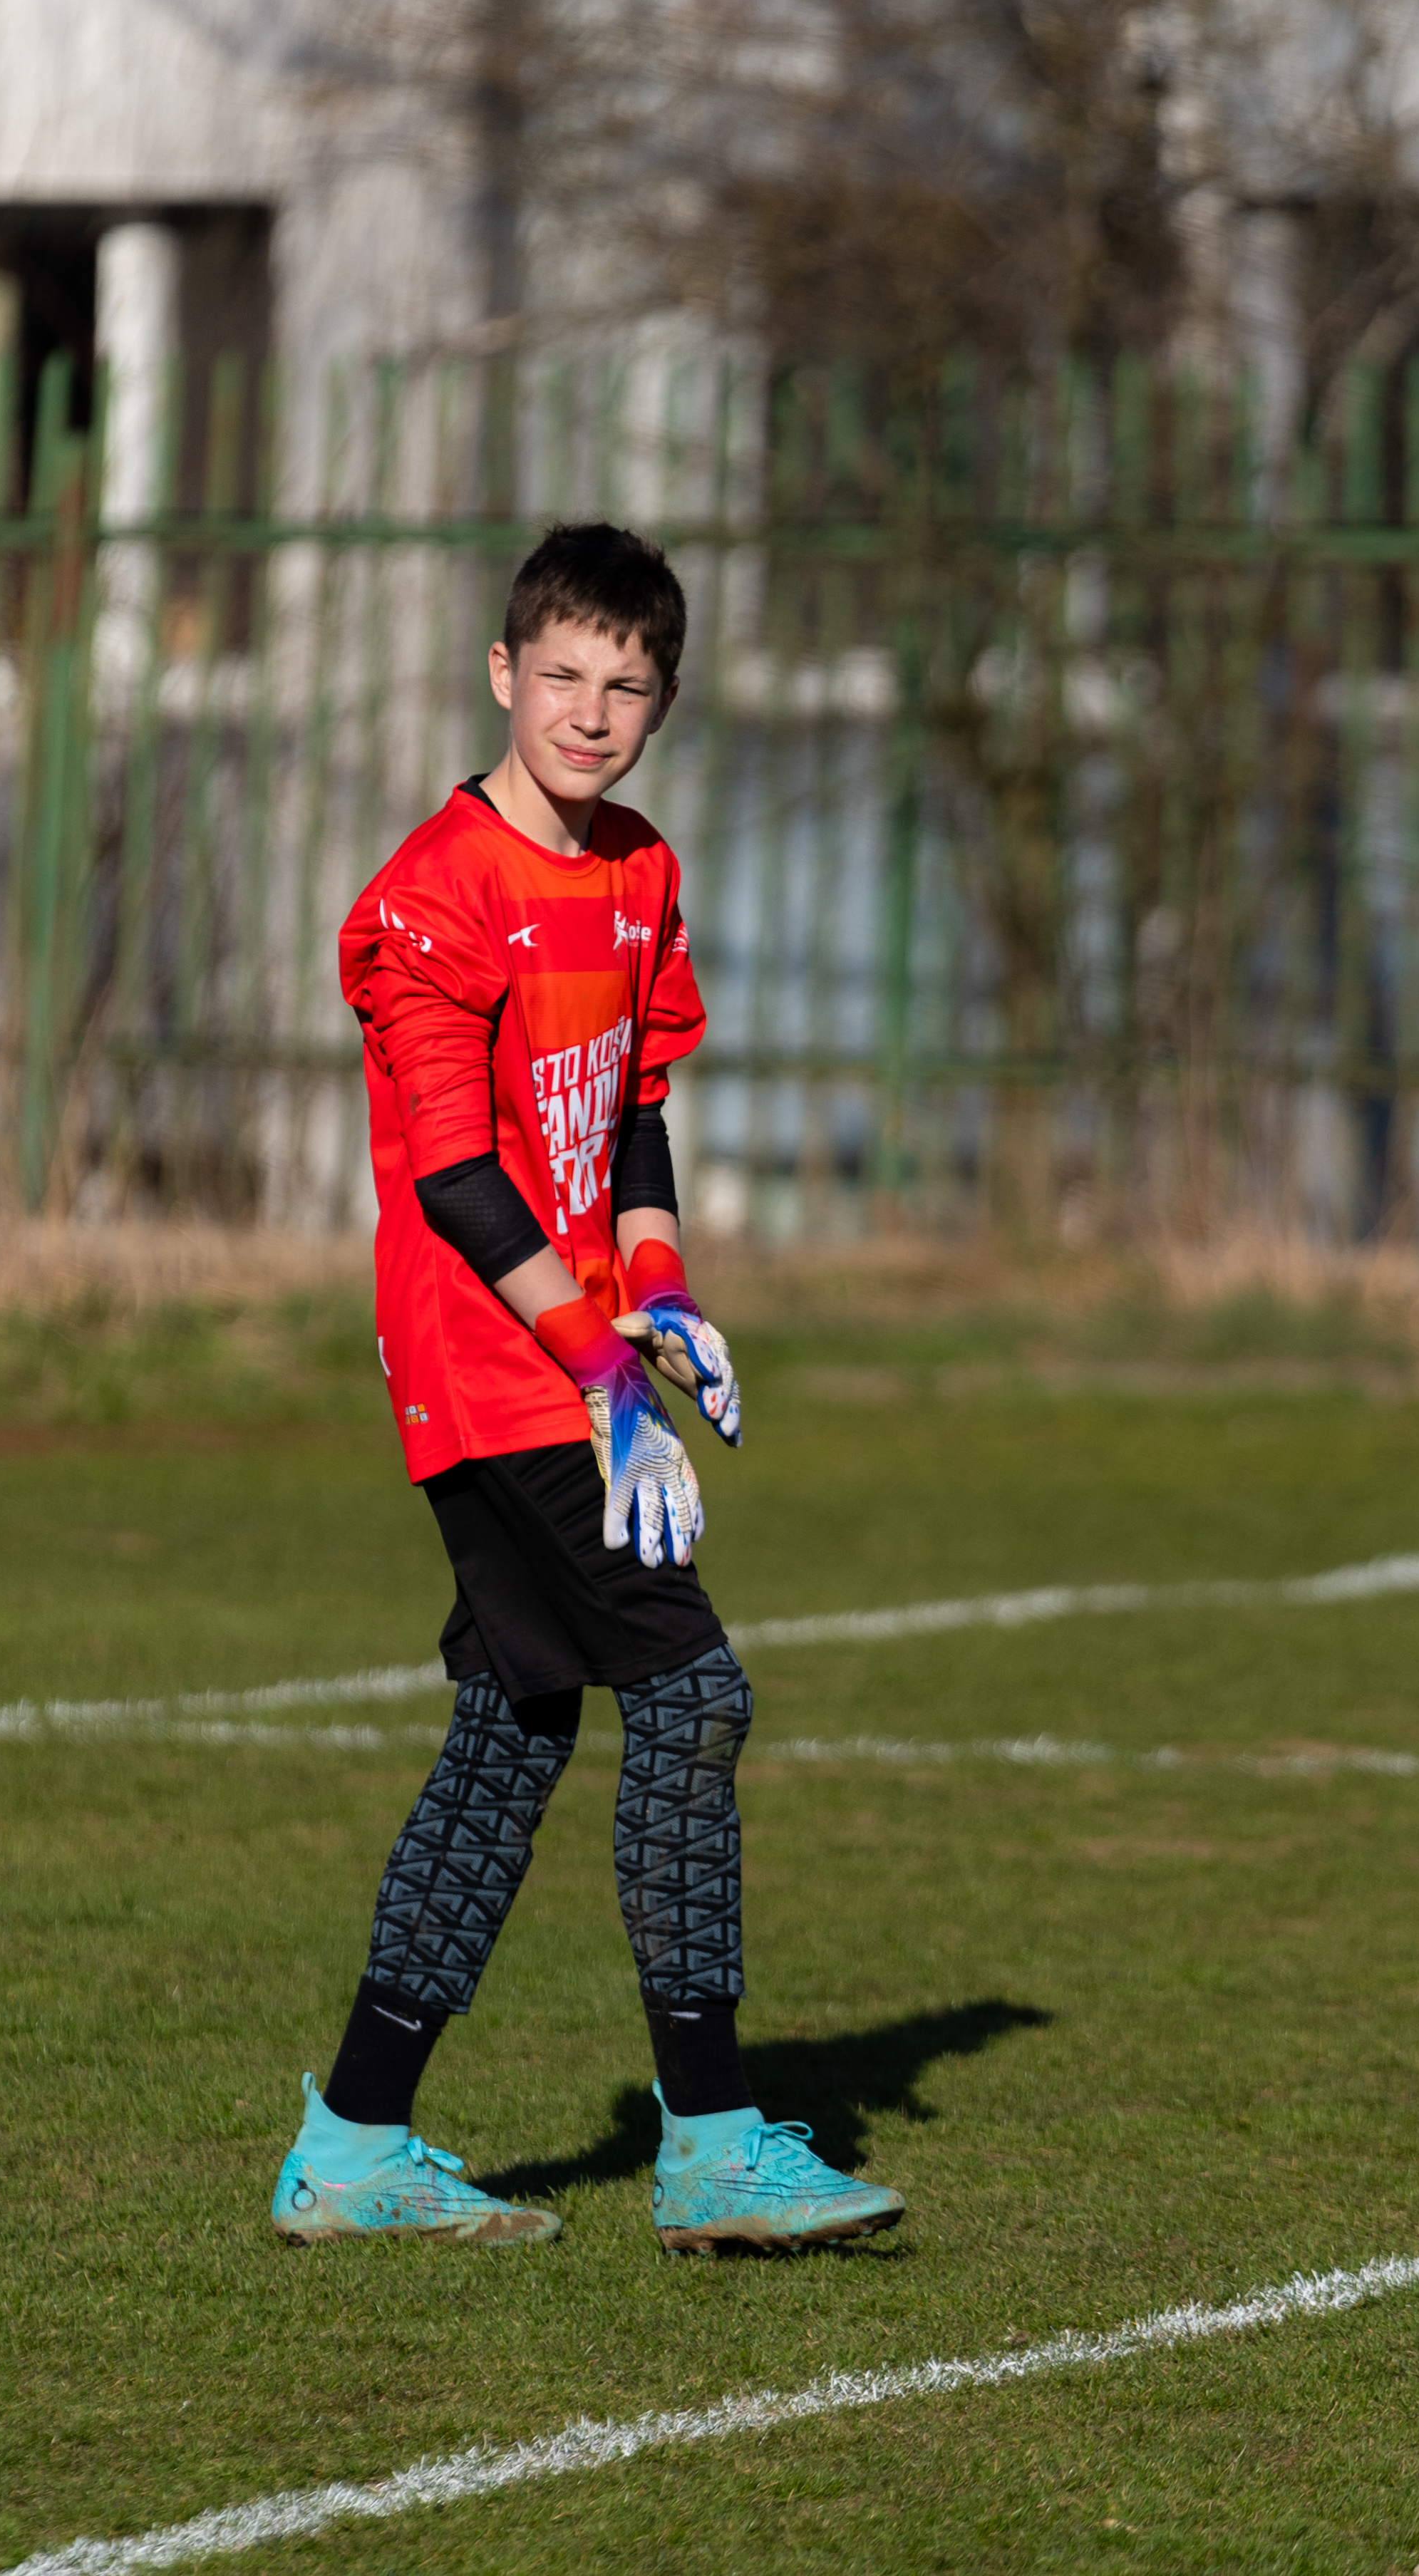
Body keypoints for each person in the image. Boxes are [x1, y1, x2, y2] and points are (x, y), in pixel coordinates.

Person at [271, 522, 909, 2255]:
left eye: (628, 684)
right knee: (691, 1696)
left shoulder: (638, 873)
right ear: (502, 673)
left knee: (514, 1730)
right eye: (561, 673)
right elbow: (457, 1175)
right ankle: (708, 2141)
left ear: (666, 700)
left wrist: (669, 1286)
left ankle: (352, 2141)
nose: (591, 709)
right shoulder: (431, 893)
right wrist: (599, 1364)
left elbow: (628, 1114)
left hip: (576, 1355)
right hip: (493, 1370)